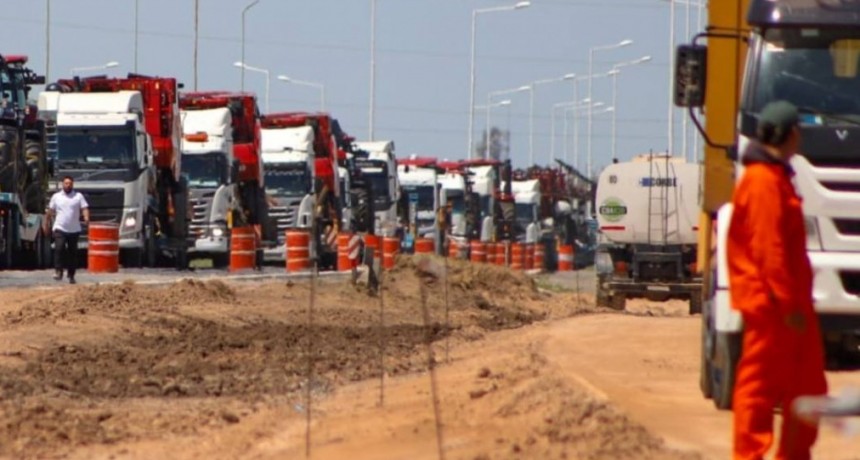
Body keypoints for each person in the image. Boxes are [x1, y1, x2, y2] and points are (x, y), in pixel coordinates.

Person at [727, 100, 827, 460]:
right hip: (772, 308)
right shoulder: (763, 183)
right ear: (793, 135)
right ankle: (750, 454)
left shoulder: (776, 178)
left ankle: (794, 454)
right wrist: (787, 305)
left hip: (791, 305)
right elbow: (769, 251)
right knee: (759, 389)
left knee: (809, 389)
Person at [44, 176, 90, 284]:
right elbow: (50, 211)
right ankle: (58, 271)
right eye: (66, 183)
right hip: (60, 228)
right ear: (62, 184)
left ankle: (71, 275)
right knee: (59, 249)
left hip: (74, 229)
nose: (68, 185)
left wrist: (86, 217)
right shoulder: (56, 197)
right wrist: (46, 225)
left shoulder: (78, 196)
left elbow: (84, 208)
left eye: (70, 183)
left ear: (72, 184)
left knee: (72, 253)